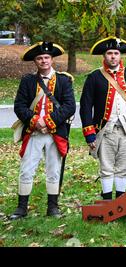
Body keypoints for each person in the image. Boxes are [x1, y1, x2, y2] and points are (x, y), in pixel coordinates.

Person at [10, 41, 76, 220]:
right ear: (35, 61)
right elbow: (20, 106)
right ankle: (21, 208)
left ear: (52, 59)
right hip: (34, 132)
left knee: (54, 169)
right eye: (39, 58)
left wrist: (48, 121)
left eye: (46, 57)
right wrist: (34, 121)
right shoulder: (27, 81)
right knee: (26, 169)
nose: (43, 61)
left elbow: (69, 107)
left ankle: (53, 207)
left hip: (55, 133)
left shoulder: (63, 80)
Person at [80, 36, 126, 201]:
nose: (113, 57)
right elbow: (85, 106)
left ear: (120, 56)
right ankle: (107, 201)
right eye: (109, 53)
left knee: (123, 166)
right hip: (105, 128)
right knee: (107, 166)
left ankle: (120, 201)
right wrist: (89, 133)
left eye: (116, 53)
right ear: (104, 56)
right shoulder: (95, 77)